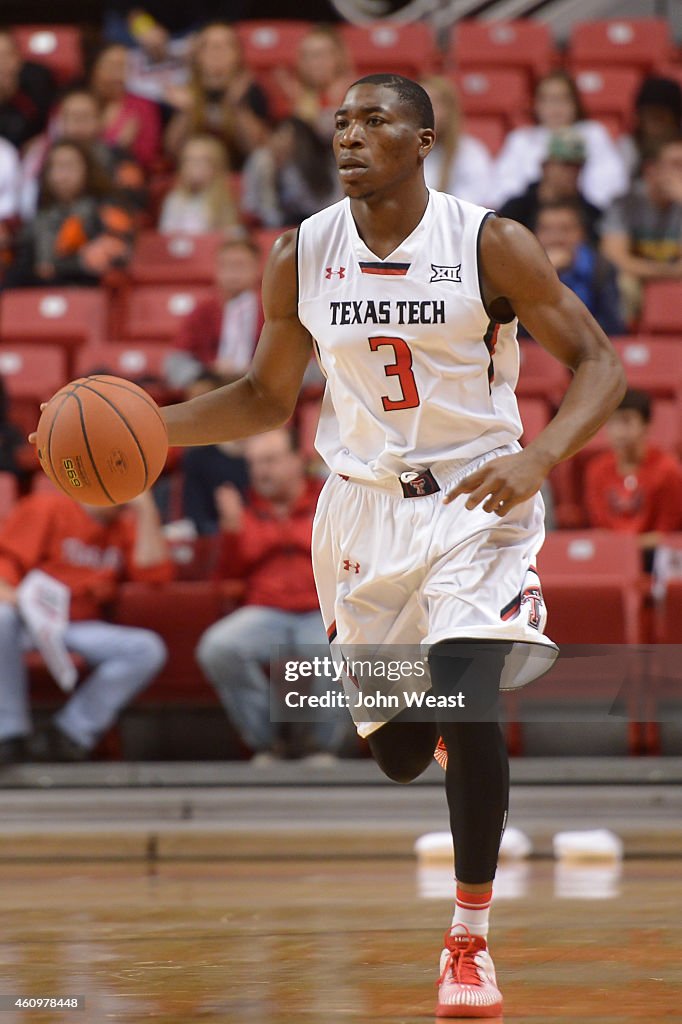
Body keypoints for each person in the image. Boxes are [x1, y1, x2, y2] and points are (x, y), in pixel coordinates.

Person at [42, 73, 625, 1015]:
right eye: (342, 122)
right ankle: (444, 733)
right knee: (399, 751)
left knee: (468, 692)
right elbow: (264, 397)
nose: (350, 136)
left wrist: (541, 457)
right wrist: (147, 427)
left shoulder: (489, 243)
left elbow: (601, 363)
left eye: (374, 121)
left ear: (423, 141)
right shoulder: (302, 251)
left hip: (476, 497)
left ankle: (468, 942)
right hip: (359, 512)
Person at [196, 427, 344, 762]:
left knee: (341, 647)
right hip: (265, 612)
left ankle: (322, 747)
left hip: (322, 611)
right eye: (254, 463)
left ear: (298, 461)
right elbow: (225, 582)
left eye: (270, 461)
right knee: (218, 648)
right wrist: (231, 533)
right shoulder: (243, 513)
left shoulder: (330, 502)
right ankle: (267, 741)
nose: (261, 471)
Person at [0, 490, 171, 764]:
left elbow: (155, 576)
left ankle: (69, 733)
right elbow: (6, 562)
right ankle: (8, 734)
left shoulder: (122, 526)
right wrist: (13, 597)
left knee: (147, 649)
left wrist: (147, 510)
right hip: (28, 620)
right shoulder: (49, 506)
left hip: (77, 626)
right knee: (1, 617)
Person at [7, 139, 135, 289]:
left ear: (87, 169)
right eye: (54, 167)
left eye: (69, 166)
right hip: (44, 294)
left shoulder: (108, 208)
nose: (61, 175)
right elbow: (22, 266)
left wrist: (65, 266)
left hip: (90, 292)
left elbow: (117, 255)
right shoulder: (40, 218)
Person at [492, 70, 628, 210]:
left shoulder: (593, 134)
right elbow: (503, 190)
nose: (555, 107)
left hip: (585, 214)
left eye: (562, 99)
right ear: (536, 105)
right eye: (547, 99)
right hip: (529, 215)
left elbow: (612, 185)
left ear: (575, 103)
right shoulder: (521, 140)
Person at [584, 389, 682, 563]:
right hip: (611, 557)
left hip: (655, 558)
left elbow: (668, 533)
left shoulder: (668, 470)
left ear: (646, 424)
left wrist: (628, 547)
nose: (619, 432)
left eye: (626, 421)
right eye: (612, 423)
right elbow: (600, 527)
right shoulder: (596, 470)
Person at [20, 89, 147, 221]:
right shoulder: (48, 157)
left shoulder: (120, 157)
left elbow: (134, 203)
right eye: (72, 116)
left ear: (100, 120)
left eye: (85, 116)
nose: (78, 123)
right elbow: (38, 206)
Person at [164, 22, 269, 170]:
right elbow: (172, 152)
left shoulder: (249, 91)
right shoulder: (182, 92)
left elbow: (258, 152)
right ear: (197, 55)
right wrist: (185, 113)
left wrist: (239, 109)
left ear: (238, 55)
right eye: (209, 46)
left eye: (226, 45)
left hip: (240, 173)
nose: (217, 52)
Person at [164, 236, 263, 388]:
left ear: (257, 268)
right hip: (213, 383)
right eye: (226, 266)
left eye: (240, 265)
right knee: (200, 388)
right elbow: (176, 359)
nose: (233, 273)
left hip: (260, 383)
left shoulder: (271, 311)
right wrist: (207, 372)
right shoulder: (203, 311)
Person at [600, 137, 682, 300]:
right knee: (623, 284)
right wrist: (669, 271)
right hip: (638, 276)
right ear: (651, 169)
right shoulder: (625, 204)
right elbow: (614, 258)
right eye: (676, 164)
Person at [534, 199, 625, 335]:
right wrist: (544, 276)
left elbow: (613, 327)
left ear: (581, 233)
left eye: (565, 229)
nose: (555, 238)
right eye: (546, 230)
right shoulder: (522, 271)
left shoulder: (601, 268)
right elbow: (517, 331)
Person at [498, 129, 602, 243]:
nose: (571, 173)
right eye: (565, 165)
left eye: (577, 167)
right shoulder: (516, 210)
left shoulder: (591, 214)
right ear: (545, 166)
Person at [241, 116, 341, 228]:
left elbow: (335, 202)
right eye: (278, 136)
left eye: (286, 138)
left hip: (322, 221)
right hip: (284, 225)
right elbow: (254, 206)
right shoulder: (265, 162)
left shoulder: (325, 164)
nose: (279, 143)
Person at [421, 75, 494, 207]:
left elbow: (471, 206)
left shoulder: (470, 152)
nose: (422, 113)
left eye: (431, 106)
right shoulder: (401, 150)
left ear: (449, 111)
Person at [87, 43, 162, 170]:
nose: (118, 75)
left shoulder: (143, 107)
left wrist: (124, 150)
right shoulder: (79, 102)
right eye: (112, 66)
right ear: (95, 69)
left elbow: (147, 155)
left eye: (124, 67)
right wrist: (116, 145)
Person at [272, 25, 352, 139]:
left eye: (318, 55)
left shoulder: (358, 95)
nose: (312, 63)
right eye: (305, 56)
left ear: (338, 57)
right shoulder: (291, 98)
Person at [159, 133, 237, 234]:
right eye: (188, 160)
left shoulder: (223, 200)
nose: (193, 166)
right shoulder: (174, 200)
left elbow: (232, 233)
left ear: (216, 166)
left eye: (201, 161)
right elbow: (166, 235)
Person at [619, 75, 682, 179]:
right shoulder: (629, 147)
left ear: (675, 120)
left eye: (659, 118)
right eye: (647, 117)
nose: (653, 126)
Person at [0, 30, 54, 149]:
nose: (2, 63)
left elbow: (47, 131)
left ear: (19, 59)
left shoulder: (37, 91)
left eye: (6, 55)